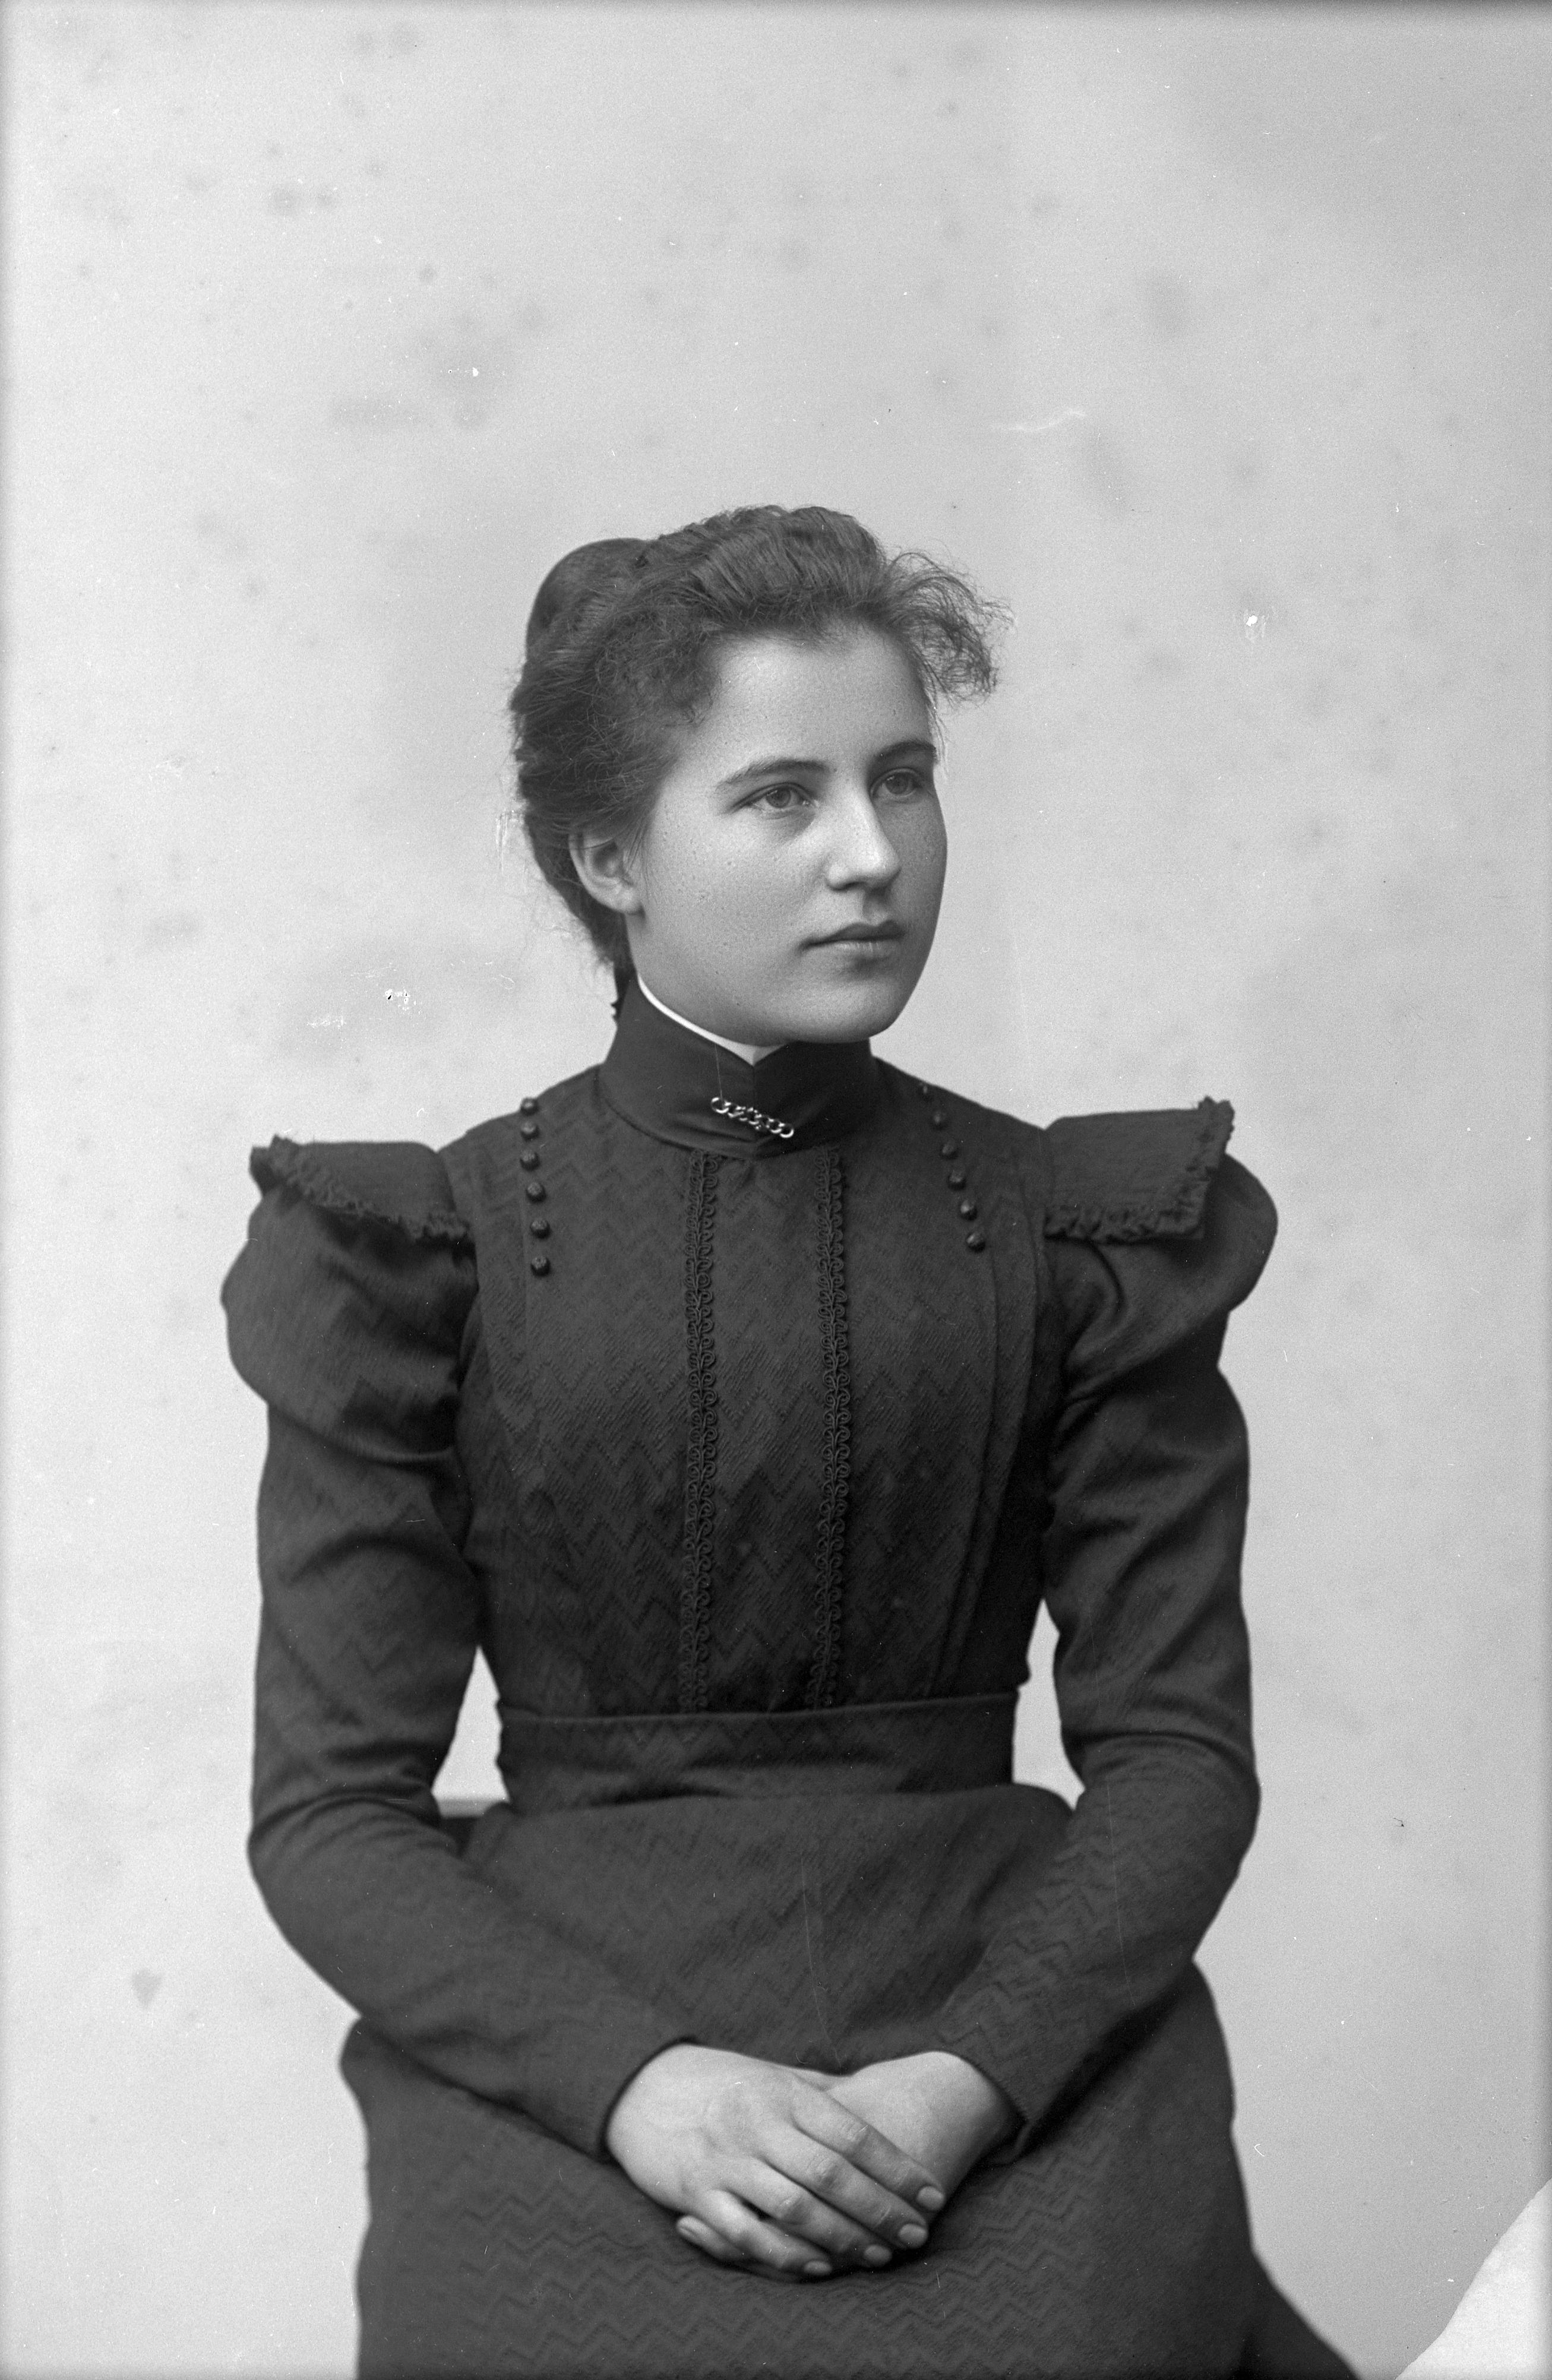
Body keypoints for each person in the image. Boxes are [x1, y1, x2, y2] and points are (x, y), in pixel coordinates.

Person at [223, 506, 1355, 2378]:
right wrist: (641, 2088)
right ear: (612, 857)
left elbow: (1176, 1758)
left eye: (903, 779)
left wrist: (965, 2081)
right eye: (780, 797)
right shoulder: (425, 1254)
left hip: (1011, 2045)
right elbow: (330, 1818)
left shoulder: (1083, 1236)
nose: (873, 855)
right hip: (570, 2069)